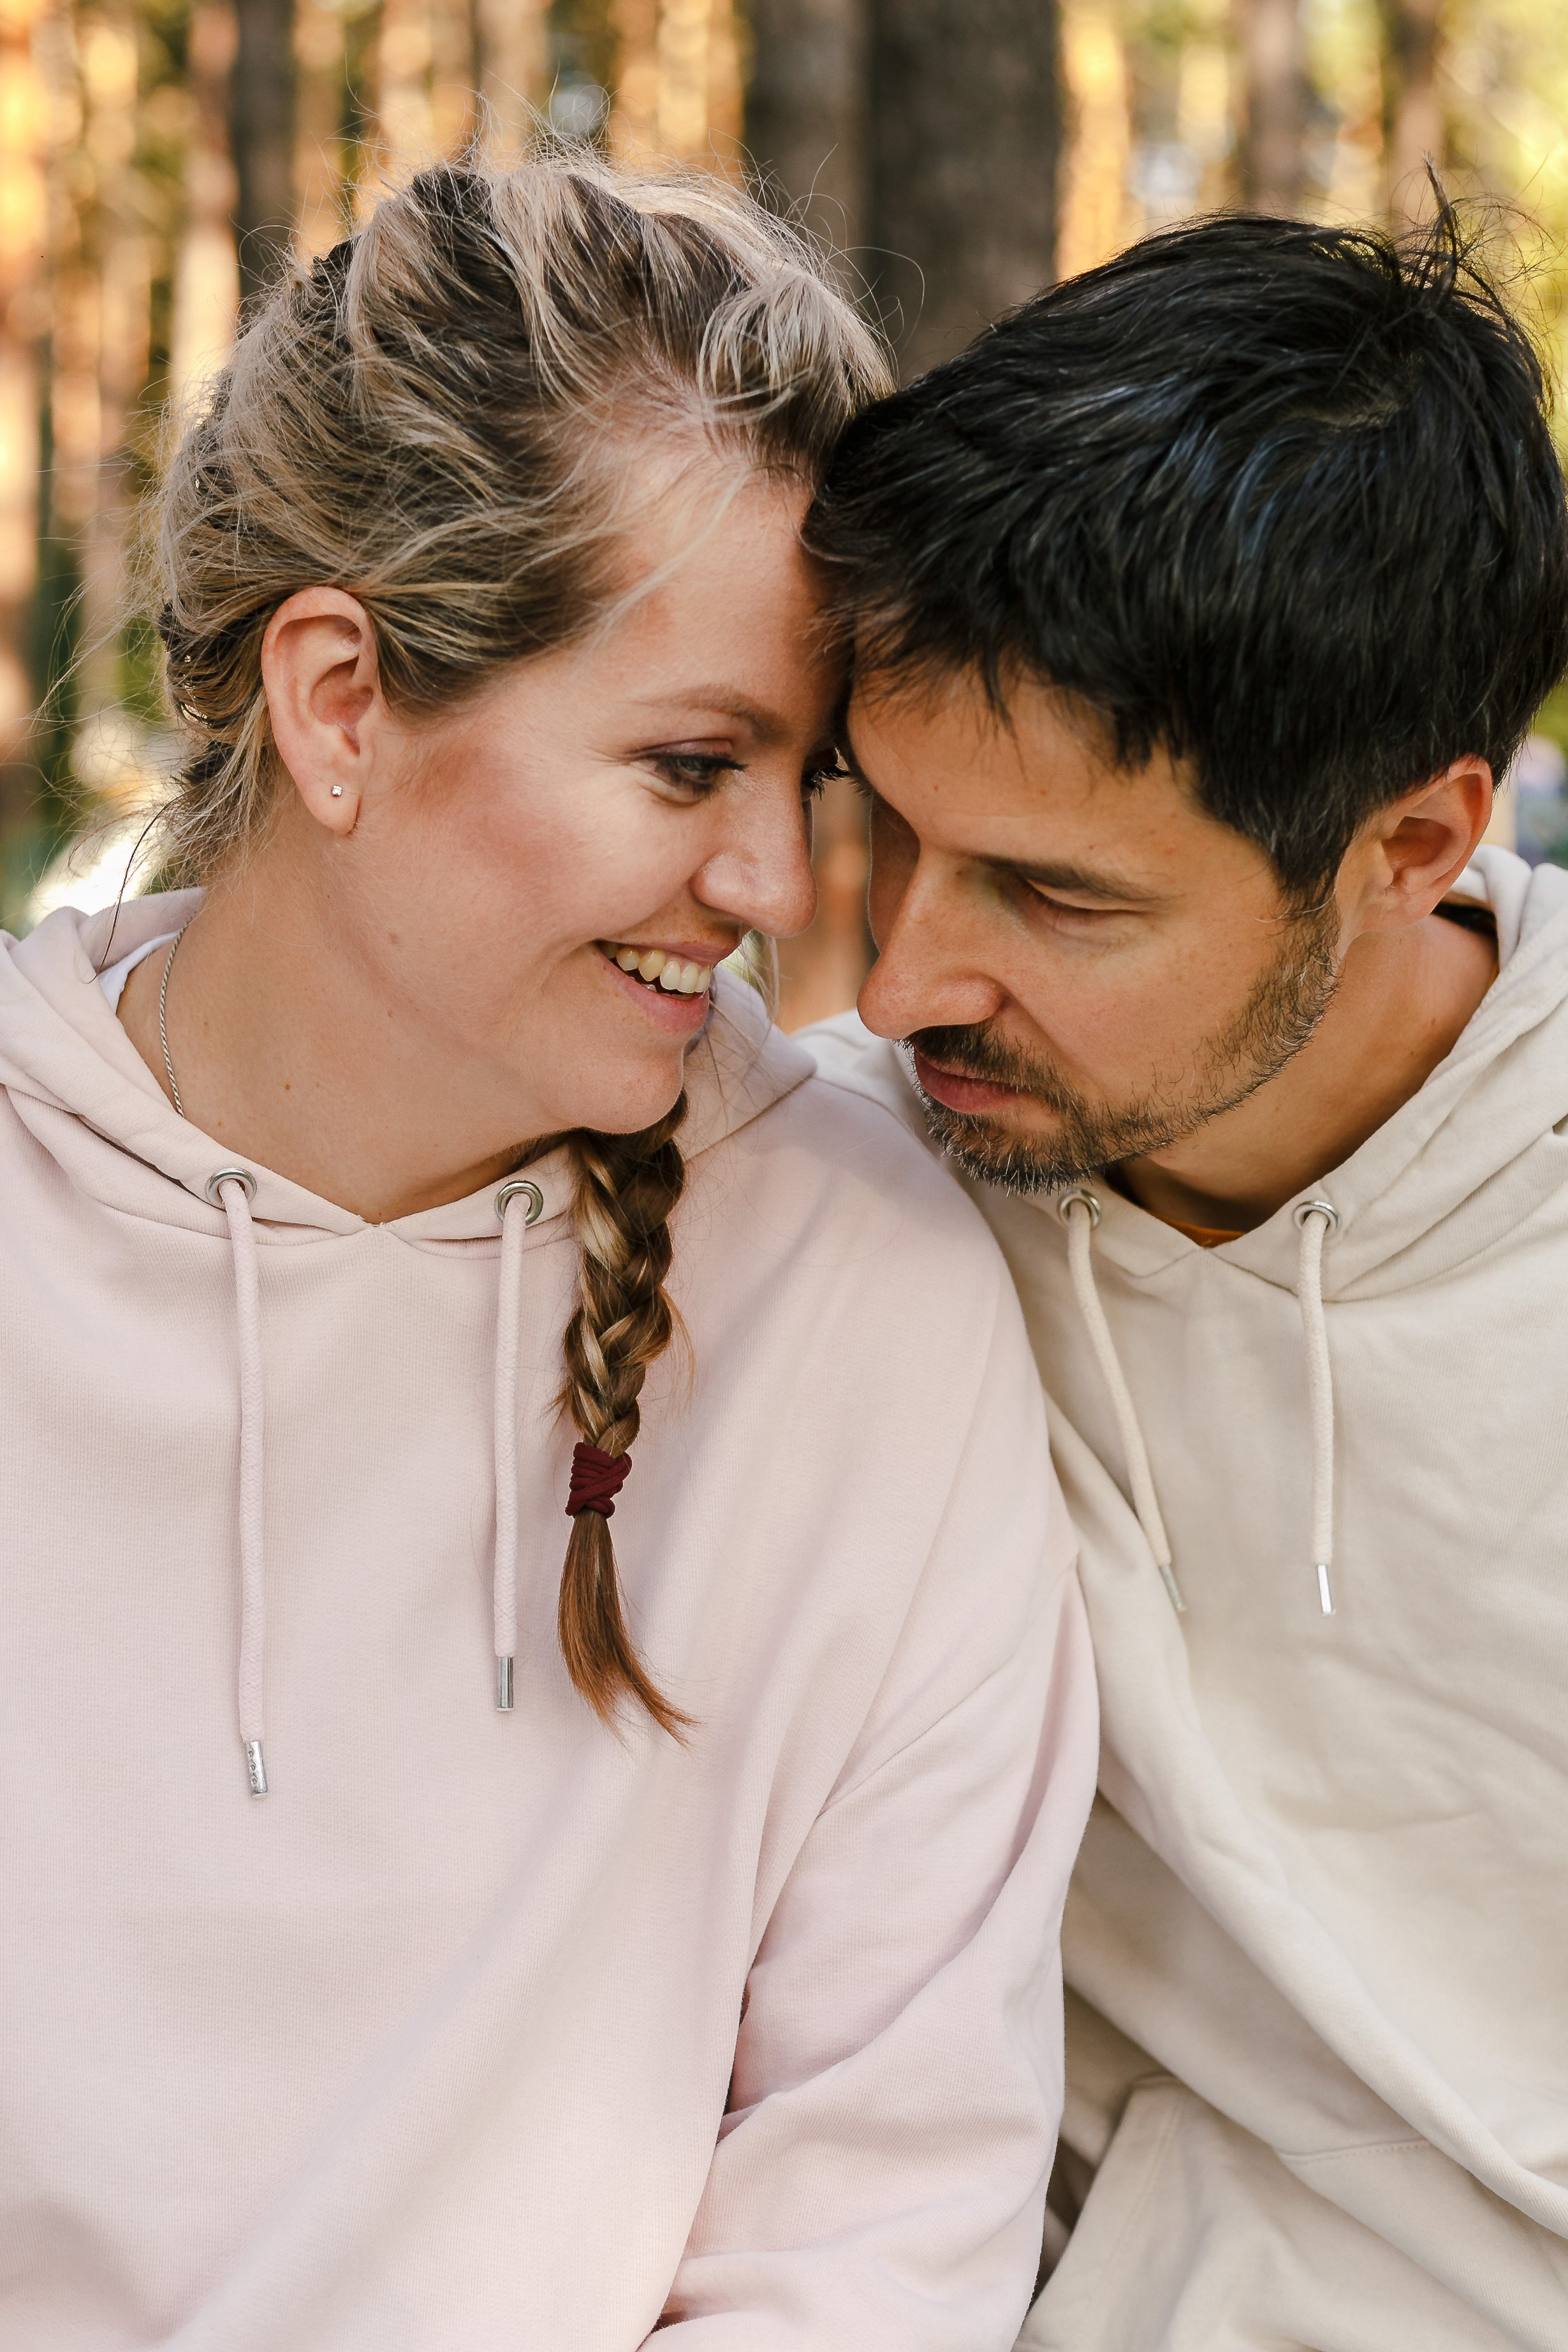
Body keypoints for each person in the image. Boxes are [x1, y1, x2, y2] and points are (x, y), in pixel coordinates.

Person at [0, 159, 1098, 2349]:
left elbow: (874, 2220)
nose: (775, 885)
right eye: (690, 766)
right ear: (339, 703)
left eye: (802, 781)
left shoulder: (861, 1296)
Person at [805, 205, 1568, 2348]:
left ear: (1411, 846)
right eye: (886, 828)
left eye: (1054, 898)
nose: (897, 981)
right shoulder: (831, 1193)